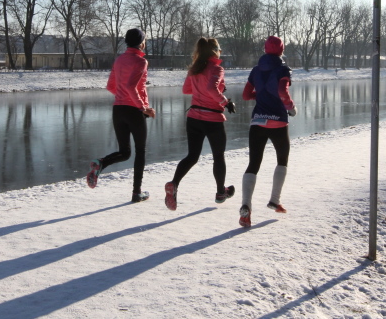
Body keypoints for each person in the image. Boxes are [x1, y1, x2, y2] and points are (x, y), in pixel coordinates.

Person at [164, 38, 236, 211]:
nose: (220, 53)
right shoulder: (217, 69)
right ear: (215, 51)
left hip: (194, 118)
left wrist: (202, 88)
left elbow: (186, 90)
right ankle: (220, 192)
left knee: (192, 156)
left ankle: (174, 183)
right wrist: (225, 102)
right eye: (219, 50)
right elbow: (211, 89)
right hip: (212, 119)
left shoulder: (195, 69)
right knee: (218, 156)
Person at [86, 28, 156, 203]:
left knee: (124, 152)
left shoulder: (119, 60)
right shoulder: (141, 61)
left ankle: (101, 163)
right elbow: (131, 87)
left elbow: (111, 86)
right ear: (141, 43)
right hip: (134, 112)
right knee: (140, 151)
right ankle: (136, 193)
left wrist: (124, 97)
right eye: (144, 40)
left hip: (118, 110)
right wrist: (143, 108)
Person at [238, 36, 297, 227]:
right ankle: (274, 200)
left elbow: (246, 95)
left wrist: (260, 94)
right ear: (281, 50)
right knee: (282, 160)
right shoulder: (283, 69)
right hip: (278, 122)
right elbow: (282, 92)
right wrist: (291, 108)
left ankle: (245, 207)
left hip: (257, 122)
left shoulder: (256, 70)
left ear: (264, 49)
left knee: (253, 164)